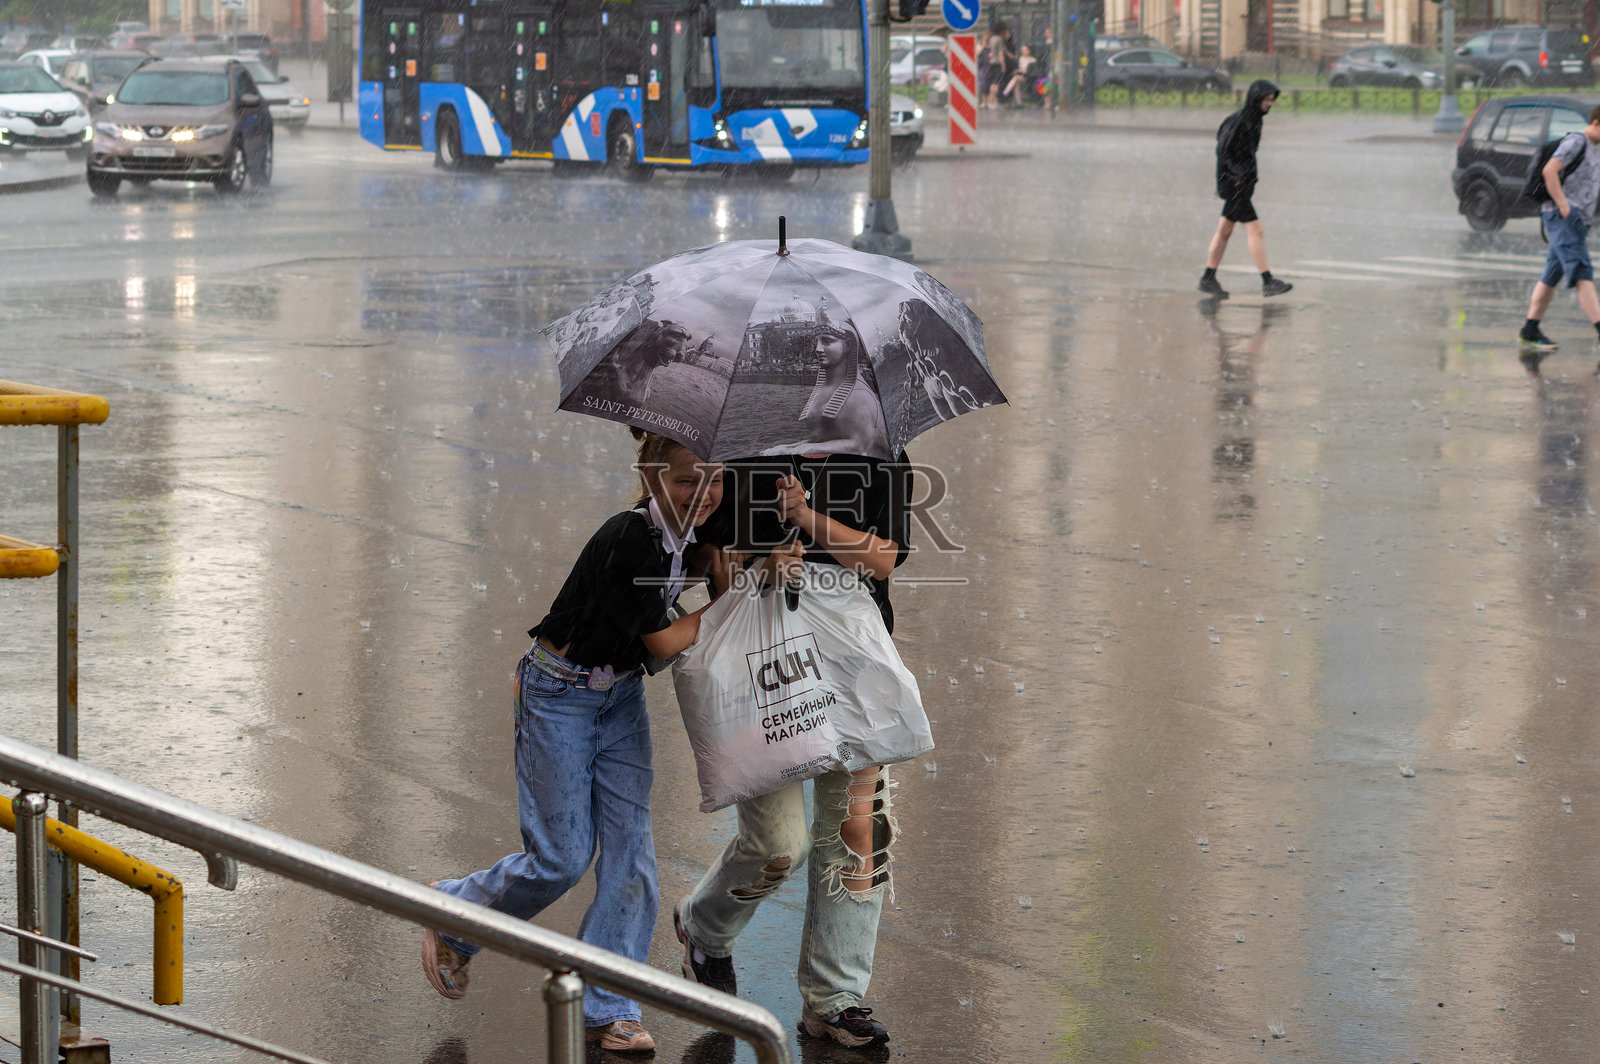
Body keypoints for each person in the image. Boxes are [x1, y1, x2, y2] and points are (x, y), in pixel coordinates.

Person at [421, 430, 751, 1055]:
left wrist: (742, 555)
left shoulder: (706, 520)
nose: (704, 492)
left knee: (633, 855)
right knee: (561, 859)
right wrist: (729, 597)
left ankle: (611, 1006)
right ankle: (455, 913)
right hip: (558, 694)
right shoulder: (628, 537)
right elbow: (664, 641)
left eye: (715, 479)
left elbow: (728, 562)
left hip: (619, 697)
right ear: (650, 477)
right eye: (687, 480)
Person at [675, 451, 913, 1050]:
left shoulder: (880, 451)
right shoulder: (747, 453)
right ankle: (705, 926)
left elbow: (883, 558)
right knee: (777, 846)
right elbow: (700, 553)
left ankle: (835, 999)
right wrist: (757, 568)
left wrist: (806, 518)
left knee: (859, 831)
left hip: (854, 666)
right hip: (761, 670)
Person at [1518, 104, 1600, 366]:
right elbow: (1550, 170)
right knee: (1581, 270)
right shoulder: (1577, 141)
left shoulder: (1596, 147)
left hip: (1577, 220)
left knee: (1552, 272)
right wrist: (1564, 205)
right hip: (1562, 216)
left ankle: (1530, 328)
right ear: (1596, 123)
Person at [1199, 79, 1293, 300]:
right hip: (1234, 184)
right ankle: (1267, 281)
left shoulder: (1255, 119)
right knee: (1255, 229)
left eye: (1271, 100)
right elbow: (1223, 151)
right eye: (1266, 99)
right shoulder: (1239, 121)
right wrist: (1237, 177)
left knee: (1225, 230)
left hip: (1240, 183)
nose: (1269, 104)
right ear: (1256, 99)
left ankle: (1208, 278)